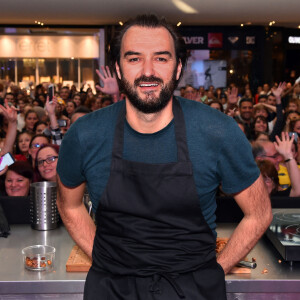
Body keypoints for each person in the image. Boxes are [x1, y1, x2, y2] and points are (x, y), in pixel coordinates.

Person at [56, 15, 272, 300]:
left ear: (178, 67)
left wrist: (215, 270)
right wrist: (105, 258)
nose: (148, 72)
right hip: (111, 288)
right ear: (118, 69)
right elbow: (69, 206)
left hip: (194, 289)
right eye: (134, 59)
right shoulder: (85, 134)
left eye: (161, 58)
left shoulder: (218, 132)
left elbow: (259, 213)